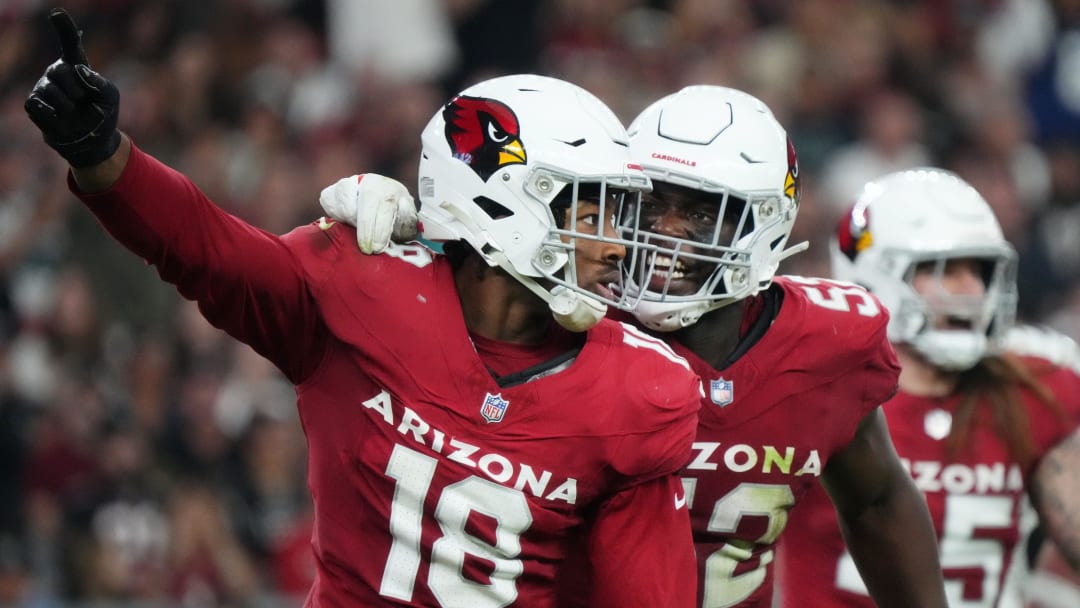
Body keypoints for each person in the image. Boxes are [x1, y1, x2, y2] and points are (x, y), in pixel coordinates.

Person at [24, 9, 706, 607]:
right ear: (504, 202)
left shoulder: (638, 390)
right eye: (592, 214)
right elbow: (209, 251)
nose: (615, 246)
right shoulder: (362, 286)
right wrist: (103, 156)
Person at [321, 85, 949, 607]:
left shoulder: (827, 344)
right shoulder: (563, 305)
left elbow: (877, 498)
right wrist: (422, 231)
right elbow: (472, 279)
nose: (663, 234)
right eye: (648, 206)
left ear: (766, 225)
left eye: (701, 212)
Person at [775, 168, 1080, 607]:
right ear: (876, 275)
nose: (971, 290)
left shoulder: (1030, 386)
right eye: (944, 270)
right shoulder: (816, 391)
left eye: (978, 271)